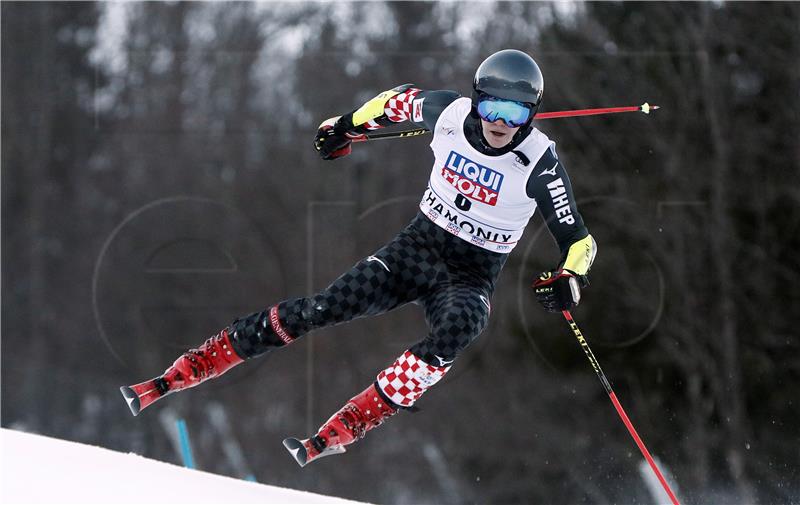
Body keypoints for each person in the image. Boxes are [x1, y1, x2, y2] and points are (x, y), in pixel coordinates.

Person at [120, 49, 597, 467]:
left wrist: (570, 277)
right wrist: (344, 127)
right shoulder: (447, 112)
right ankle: (196, 365)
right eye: (492, 107)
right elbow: (394, 102)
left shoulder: (540, 163)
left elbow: (578, 239)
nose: (499, 123)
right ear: (476, 100)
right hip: (417, 250)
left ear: (531, 115)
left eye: (514, 114)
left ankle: (353, 422)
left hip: (469, 274)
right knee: (323, 308)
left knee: (462, 328)